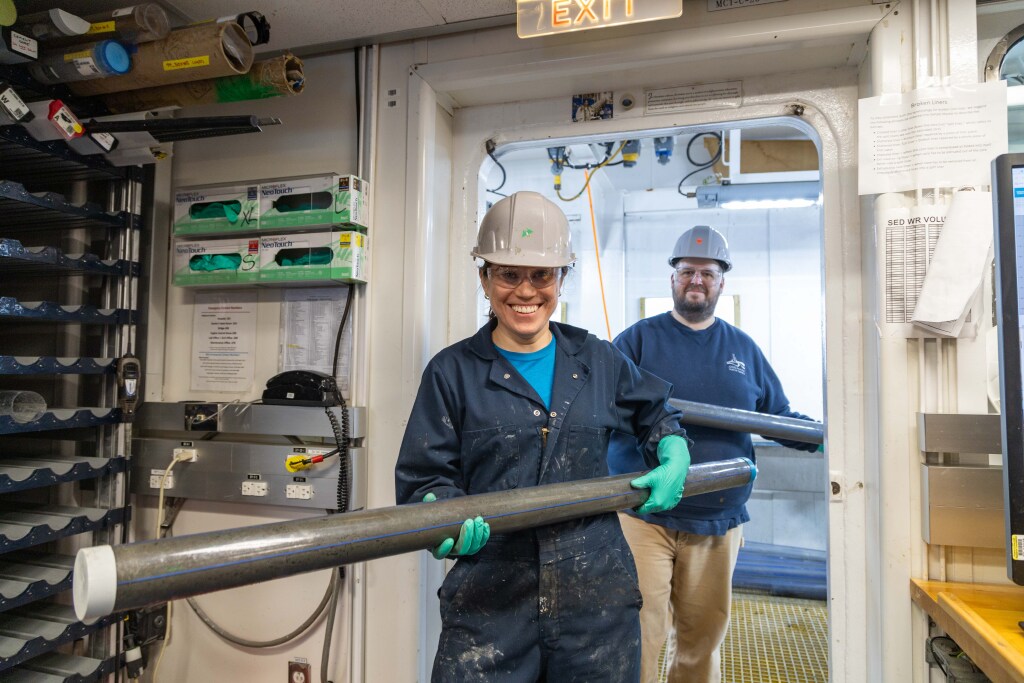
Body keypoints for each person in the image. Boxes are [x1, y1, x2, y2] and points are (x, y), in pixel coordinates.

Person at [395, 191, 694, 682]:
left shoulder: (596, 359)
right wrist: (442, 516)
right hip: (492, 598)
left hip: (595, 600)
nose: (525, 291)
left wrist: (672, 446)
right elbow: (423, 477)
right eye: (508, 274)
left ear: (561, 279)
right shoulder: (452, 372)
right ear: (484, 278)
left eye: (542, 275)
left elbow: (655, 411)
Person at [607, 225, 820, 683]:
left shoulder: (743, 349)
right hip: (645, 516)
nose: (696, 280)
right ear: (672, 279)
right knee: (639, 630)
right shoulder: (636, 341)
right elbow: (600, 410)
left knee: (703, 638)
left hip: (717, 519)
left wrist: (826, 435)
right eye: (687, 272)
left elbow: (778, 415)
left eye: (707, 272)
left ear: (722, 281)